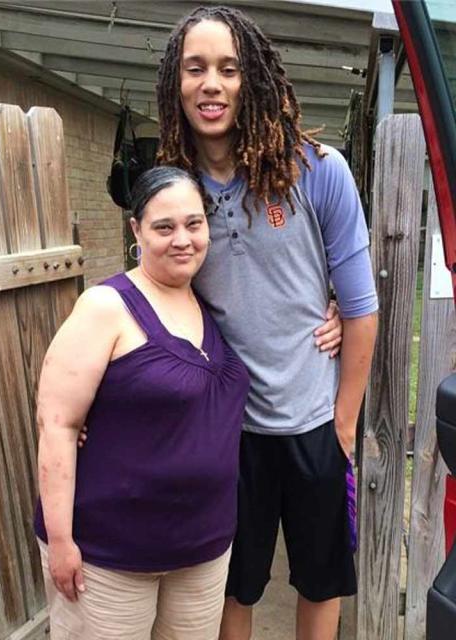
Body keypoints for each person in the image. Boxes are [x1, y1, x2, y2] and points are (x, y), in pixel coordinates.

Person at [152, 6, 378, 639]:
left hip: (314, 420)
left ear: (252, 79)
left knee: (321, 576)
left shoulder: (320, 172)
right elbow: (149, 305)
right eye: (195, 69)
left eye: (228, 68)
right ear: (177, 84)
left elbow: (361, 310)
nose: (212, 84)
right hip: (228, 428)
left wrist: (346, 421)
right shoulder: (173, 197)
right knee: (233, 582)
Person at [35, 166, 252, 639]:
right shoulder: (106, 307)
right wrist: (61, 541)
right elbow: (57, 424)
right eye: (164, 227)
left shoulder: (208, 299)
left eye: (194, 224)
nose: (183, 239)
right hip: (109, 552)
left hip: (203, 547)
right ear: (136, 230)